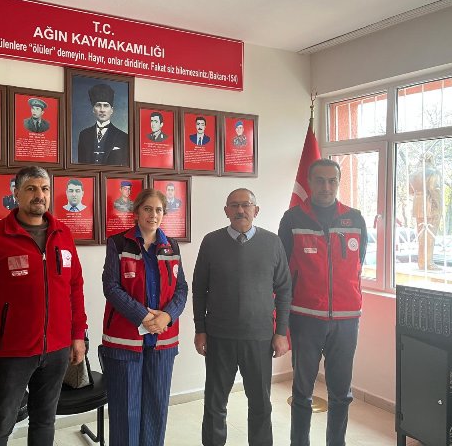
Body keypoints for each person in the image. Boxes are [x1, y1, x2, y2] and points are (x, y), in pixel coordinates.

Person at [0, 166, 87, 446]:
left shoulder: (63, 234)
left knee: (45, 421)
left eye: (44, 189)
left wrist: (78, 335)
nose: (39, 195)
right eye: (31, 188)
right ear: (16, 193)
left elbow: (75, 287)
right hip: (11, 353)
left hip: (56, 350)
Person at [278, 158, 367, 446]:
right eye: (320, 180)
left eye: (332, 181)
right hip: (305, 318)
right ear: (310, 182)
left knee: (341, 393)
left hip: (346, 320)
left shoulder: (355, 219)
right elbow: (282, 271)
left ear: (338, 183)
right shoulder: (292, 219)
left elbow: (358, 263)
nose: (326, 187)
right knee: (302, 391)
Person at [193, 188, 292, 446]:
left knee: (260, 403)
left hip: (259, 338)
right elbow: (199, 288)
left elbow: (284, 290)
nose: (240, 210)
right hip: (219, 336)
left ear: (256, 210)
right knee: (214, 403)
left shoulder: (272, 243)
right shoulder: (211, 242)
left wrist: (281, 332)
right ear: (226, 211)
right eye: (234, 205)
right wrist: (200, 329)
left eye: (246, 205)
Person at [100, 188, 188, 446]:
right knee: (125, 411)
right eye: (147, 209)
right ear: (136, 212)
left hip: (162, 340)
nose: (153, 214)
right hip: (125, 340)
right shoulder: (118, 243)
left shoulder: (171, 246)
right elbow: (111, 287)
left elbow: (181, 288)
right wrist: (143, 316)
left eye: (158, 210)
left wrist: (167, 316)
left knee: (156, 408)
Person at [77, 83, 129, 166]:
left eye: (106, 106)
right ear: (93, 110)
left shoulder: (123, 137)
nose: (102, 110)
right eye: (98, 105)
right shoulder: (84, 135)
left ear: (111, 110)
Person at [409, 153, 442, 270]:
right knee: (430, 236)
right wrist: (439, 206)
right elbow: (434, 189)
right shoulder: (433, 172)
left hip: (417, 206)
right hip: (430, 206)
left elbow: (410, 191)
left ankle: (422, 262)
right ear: (431, 159)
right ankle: (428, 263)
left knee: (421, 237)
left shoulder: (413, 174)